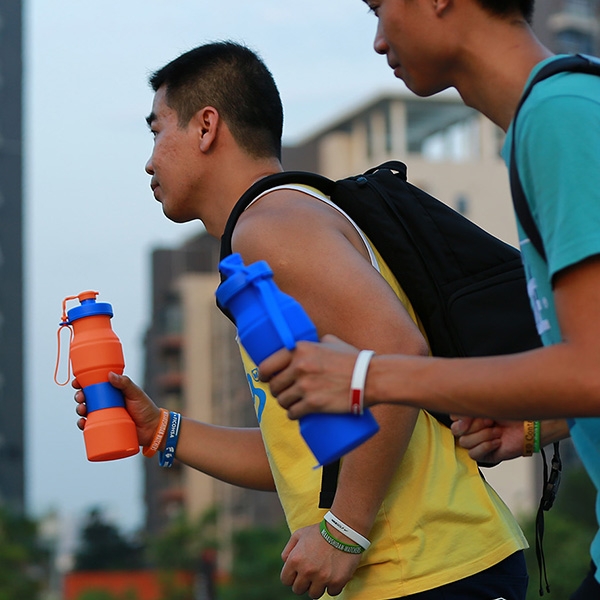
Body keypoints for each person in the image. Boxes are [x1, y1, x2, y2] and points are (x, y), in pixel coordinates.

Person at [74, 41, 530, 599]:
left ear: (206, 127)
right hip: (420, 573)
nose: (149, 159)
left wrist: (344, 534)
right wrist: (161, 429)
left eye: (157, 130)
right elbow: (305, 458)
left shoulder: (272, 225)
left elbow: (398, 355)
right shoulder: (272, 232)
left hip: (429, 570)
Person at [258, 1, 600, 598]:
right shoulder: (549, 121)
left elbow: (591, 366)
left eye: (379, 7)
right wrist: (549, 423)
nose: (377, 39)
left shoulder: (559, 120)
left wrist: (368, 376)